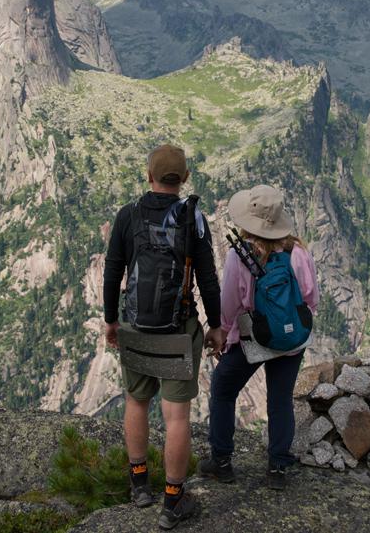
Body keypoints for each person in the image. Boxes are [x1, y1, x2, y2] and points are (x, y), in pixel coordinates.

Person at [102, 144, 226, 529]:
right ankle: (173, 501)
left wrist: (112, 321)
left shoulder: (128, 215)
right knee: (176, 418)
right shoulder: (194, 219)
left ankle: (139, 484)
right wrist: (216, 325)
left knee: (136, 403)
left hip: (136, 327)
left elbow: (112, 273)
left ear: (148, 175)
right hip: (177, 331)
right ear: (184, 178)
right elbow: (207, 279)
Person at [200, 184, 318, 490]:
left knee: (224, 388)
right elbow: (309, 297)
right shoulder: (299, 252)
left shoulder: (240, 256)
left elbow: (231, 303)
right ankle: (278, 468)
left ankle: (222, 462)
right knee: (280, 399)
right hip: (293, 339)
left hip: (256, 338)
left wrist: (225, 333)